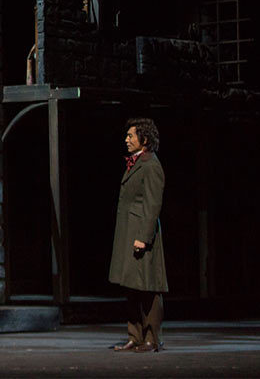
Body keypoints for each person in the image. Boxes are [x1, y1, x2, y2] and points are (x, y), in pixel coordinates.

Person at [109, 118, 168, 353]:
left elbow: (153, 205)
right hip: (129, 232)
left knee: (148, 288)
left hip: (142, 235)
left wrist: (144, 237)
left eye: (131, 136)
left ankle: (152, 338)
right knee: (132, 286)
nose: (126, 139)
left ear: (144, 139)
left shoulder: (151, 165)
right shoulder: (136, 163)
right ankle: (135, 336)